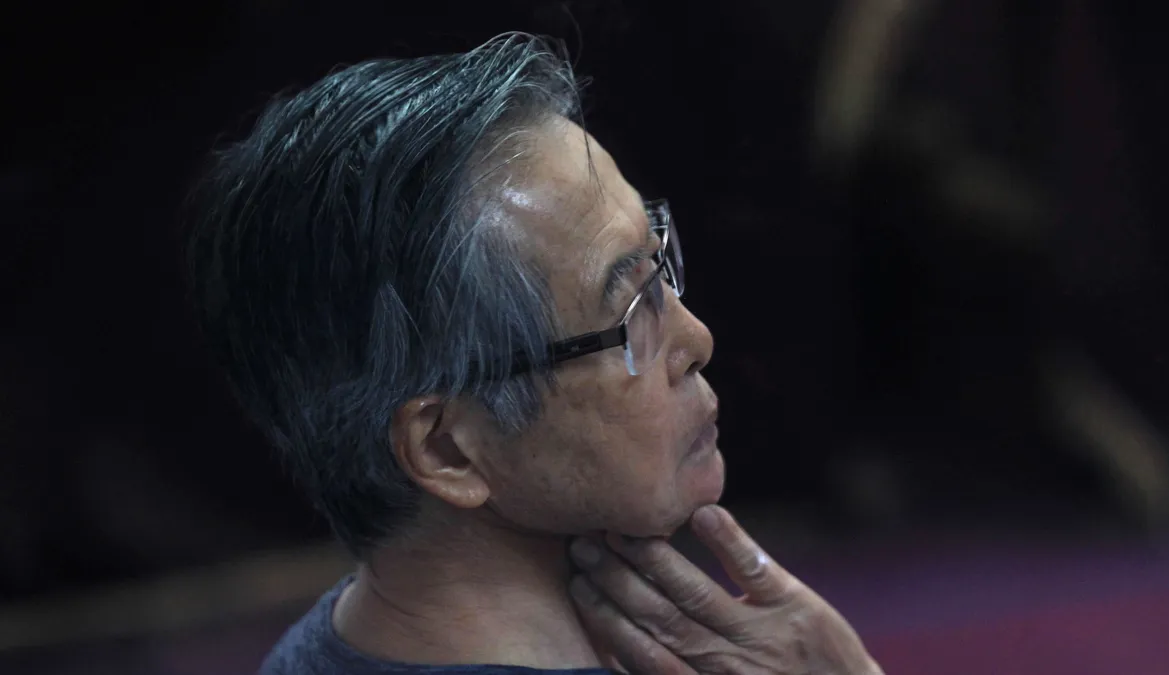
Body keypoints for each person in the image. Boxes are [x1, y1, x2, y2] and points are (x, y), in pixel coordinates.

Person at [185, 32, 881, 675]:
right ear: (448, 450)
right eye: (629, 310)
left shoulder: (330, 646)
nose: (697, 340)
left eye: (658, 263)